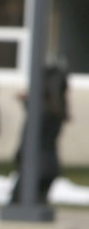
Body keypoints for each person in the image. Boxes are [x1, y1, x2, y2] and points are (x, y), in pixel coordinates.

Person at [10, 62, 70, 205]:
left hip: (34, 165)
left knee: (18, 207)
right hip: (49, 165)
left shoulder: (42, 111)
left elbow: (33, 134)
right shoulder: (58, 106)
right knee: (37, 205)